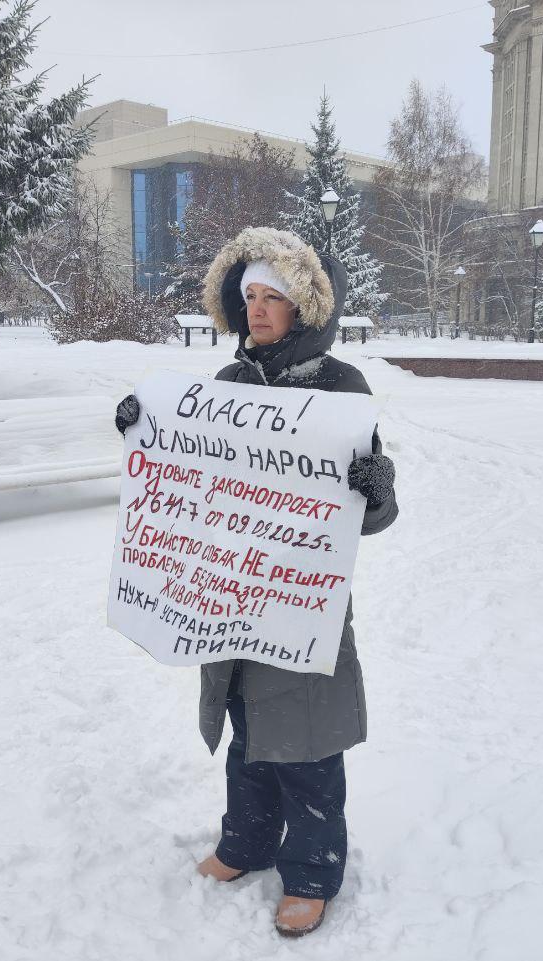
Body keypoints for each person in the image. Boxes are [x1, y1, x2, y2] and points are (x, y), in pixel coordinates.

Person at [115, 227, 398, 938]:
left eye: (275, 297)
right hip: (234, 596)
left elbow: (371, 518)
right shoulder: (228, 388)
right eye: (250, 297)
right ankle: (245, 840)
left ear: (304, 306)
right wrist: (142, 431)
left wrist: (375, 488)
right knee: (245, 729)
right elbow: (191, 480)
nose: (260, 310)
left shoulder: (341, 390)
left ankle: (311, 867)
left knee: (305, 737)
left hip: (302, 601)